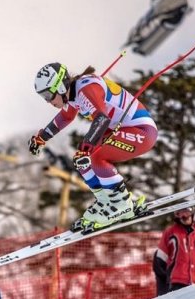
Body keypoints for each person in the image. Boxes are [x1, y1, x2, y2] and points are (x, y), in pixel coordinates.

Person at [28, 63, 156, 232]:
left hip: (141, 130)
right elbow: (65, 117)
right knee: (82, 161)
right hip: (121, 129)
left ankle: (122, 204)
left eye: (47, 95)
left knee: (95, 158)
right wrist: (42, 137)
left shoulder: (86, 89)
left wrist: (86, 147)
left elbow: (101, 119)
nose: (47, 101)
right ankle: (106, 201)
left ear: (59, 86)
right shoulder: (72, 93)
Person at [153, 207, 195, 295]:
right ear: (177, 216)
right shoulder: (171, 232)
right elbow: (160, 260)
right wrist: (165, 284)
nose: (185, 216)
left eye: (187, 213)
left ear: (192, 213)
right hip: (178, 282)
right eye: (181, 214)